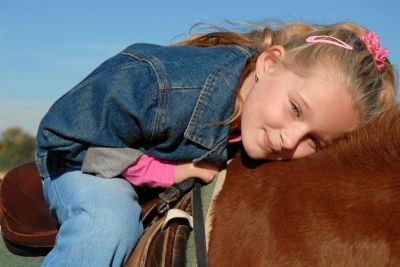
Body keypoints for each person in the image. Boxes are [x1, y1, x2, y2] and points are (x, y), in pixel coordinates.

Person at [36, 21, 397, 266]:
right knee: (108, 225)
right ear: (271, 64)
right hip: (77, 157)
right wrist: (167, 172)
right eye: (295, 108)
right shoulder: (160, 86)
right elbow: (65, 135)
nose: (289, 139)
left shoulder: (265, 116)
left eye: (315, 140)